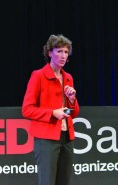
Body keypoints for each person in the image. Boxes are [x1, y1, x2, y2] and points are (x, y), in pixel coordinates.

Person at [22, 34, 79, 185]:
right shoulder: (38, 76)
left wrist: (72, 100)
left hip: (66, 137)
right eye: (59, 51)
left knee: (64, 181)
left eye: (66, 52)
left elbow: (72, 113)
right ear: (49, 53)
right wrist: (52, 113)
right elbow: (27, 109)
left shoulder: (68, 78)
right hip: (46, 140)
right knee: (47, 182)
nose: (63, 56)